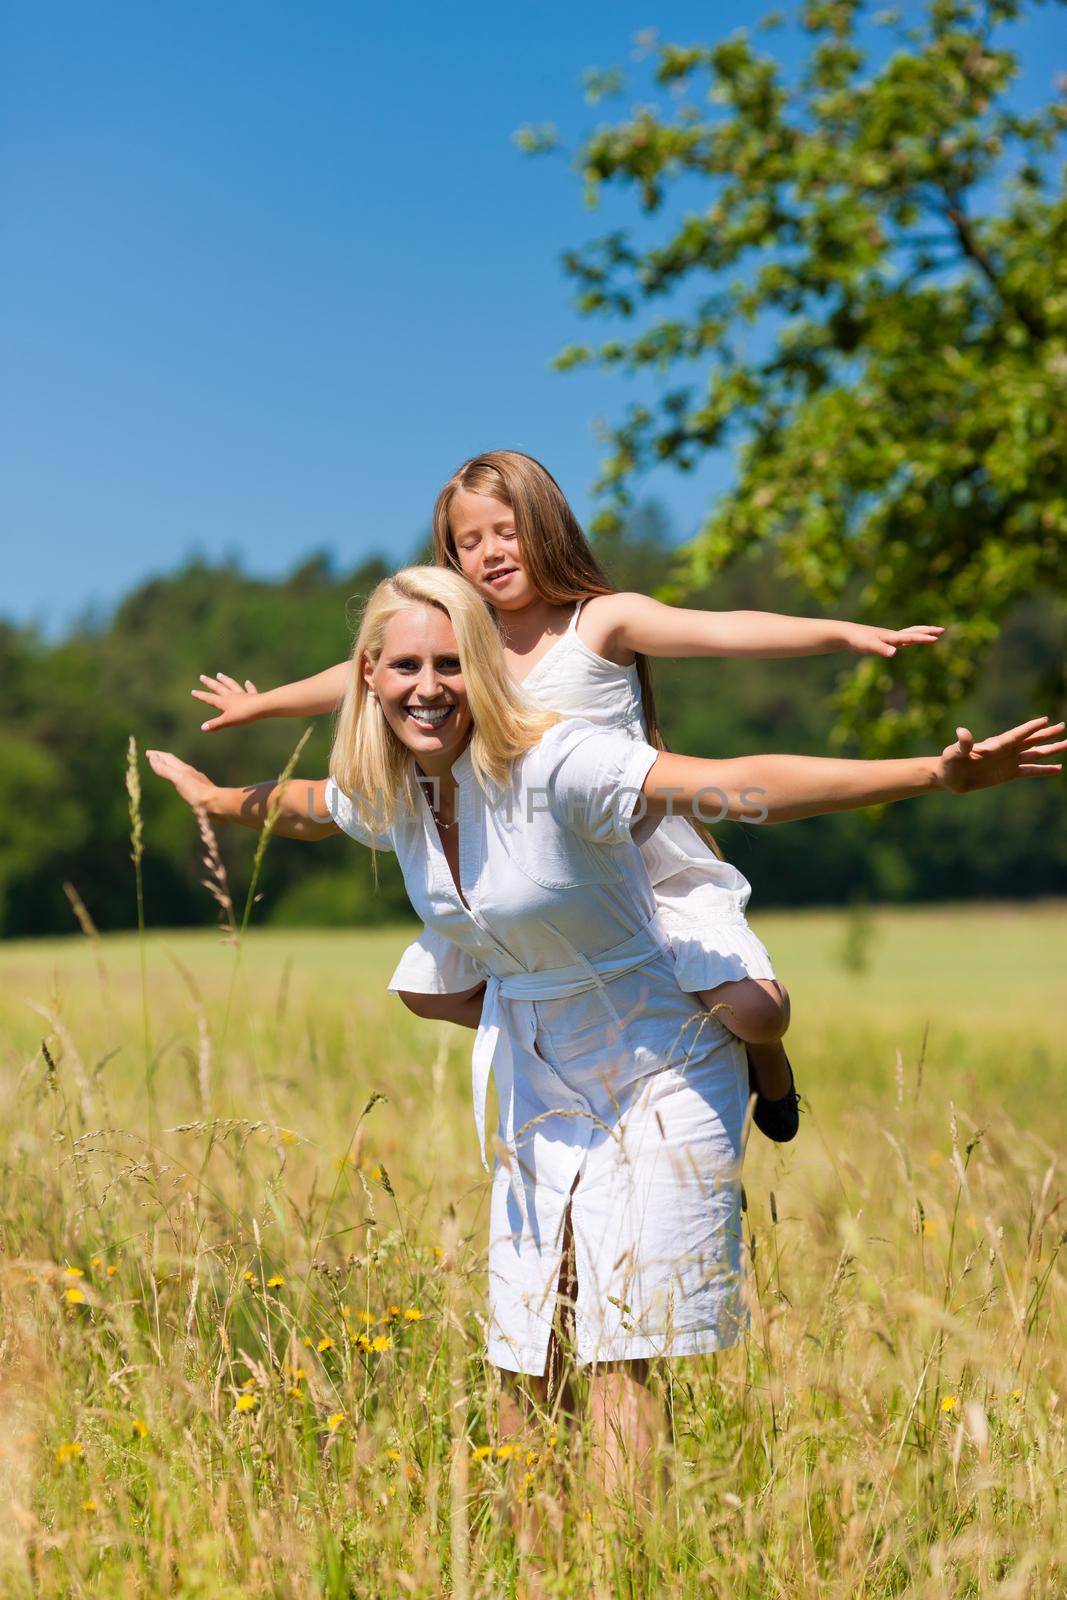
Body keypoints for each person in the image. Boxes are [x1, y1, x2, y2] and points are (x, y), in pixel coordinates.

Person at [150, 564, 1063, 1506]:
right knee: (526, 1346)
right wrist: (217, 801)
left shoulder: (558, 763)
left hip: (659, 1061)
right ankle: (535, 1559)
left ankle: (627, 1559)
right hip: (539, 1072)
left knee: (622, 1346)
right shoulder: (394, 791)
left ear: (486, 668)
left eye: (452, 663)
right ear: (370, 678)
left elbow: (734, 789)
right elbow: (305, 810)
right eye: (406, 666)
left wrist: (931, 774)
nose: (430, 687)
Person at [188, 450, 945, 1141]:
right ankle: (566, 1032)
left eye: (504, 532)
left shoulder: (601, 620)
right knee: (425, 989)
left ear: (545, 529)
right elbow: (359, 671)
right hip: (529, 857)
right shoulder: (462, 639)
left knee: (754, 1011)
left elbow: (721, 629)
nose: (488, 554)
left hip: (640, 851)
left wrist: (840, 634)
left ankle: (768, 1069)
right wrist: (263, 706)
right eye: (467, 543)